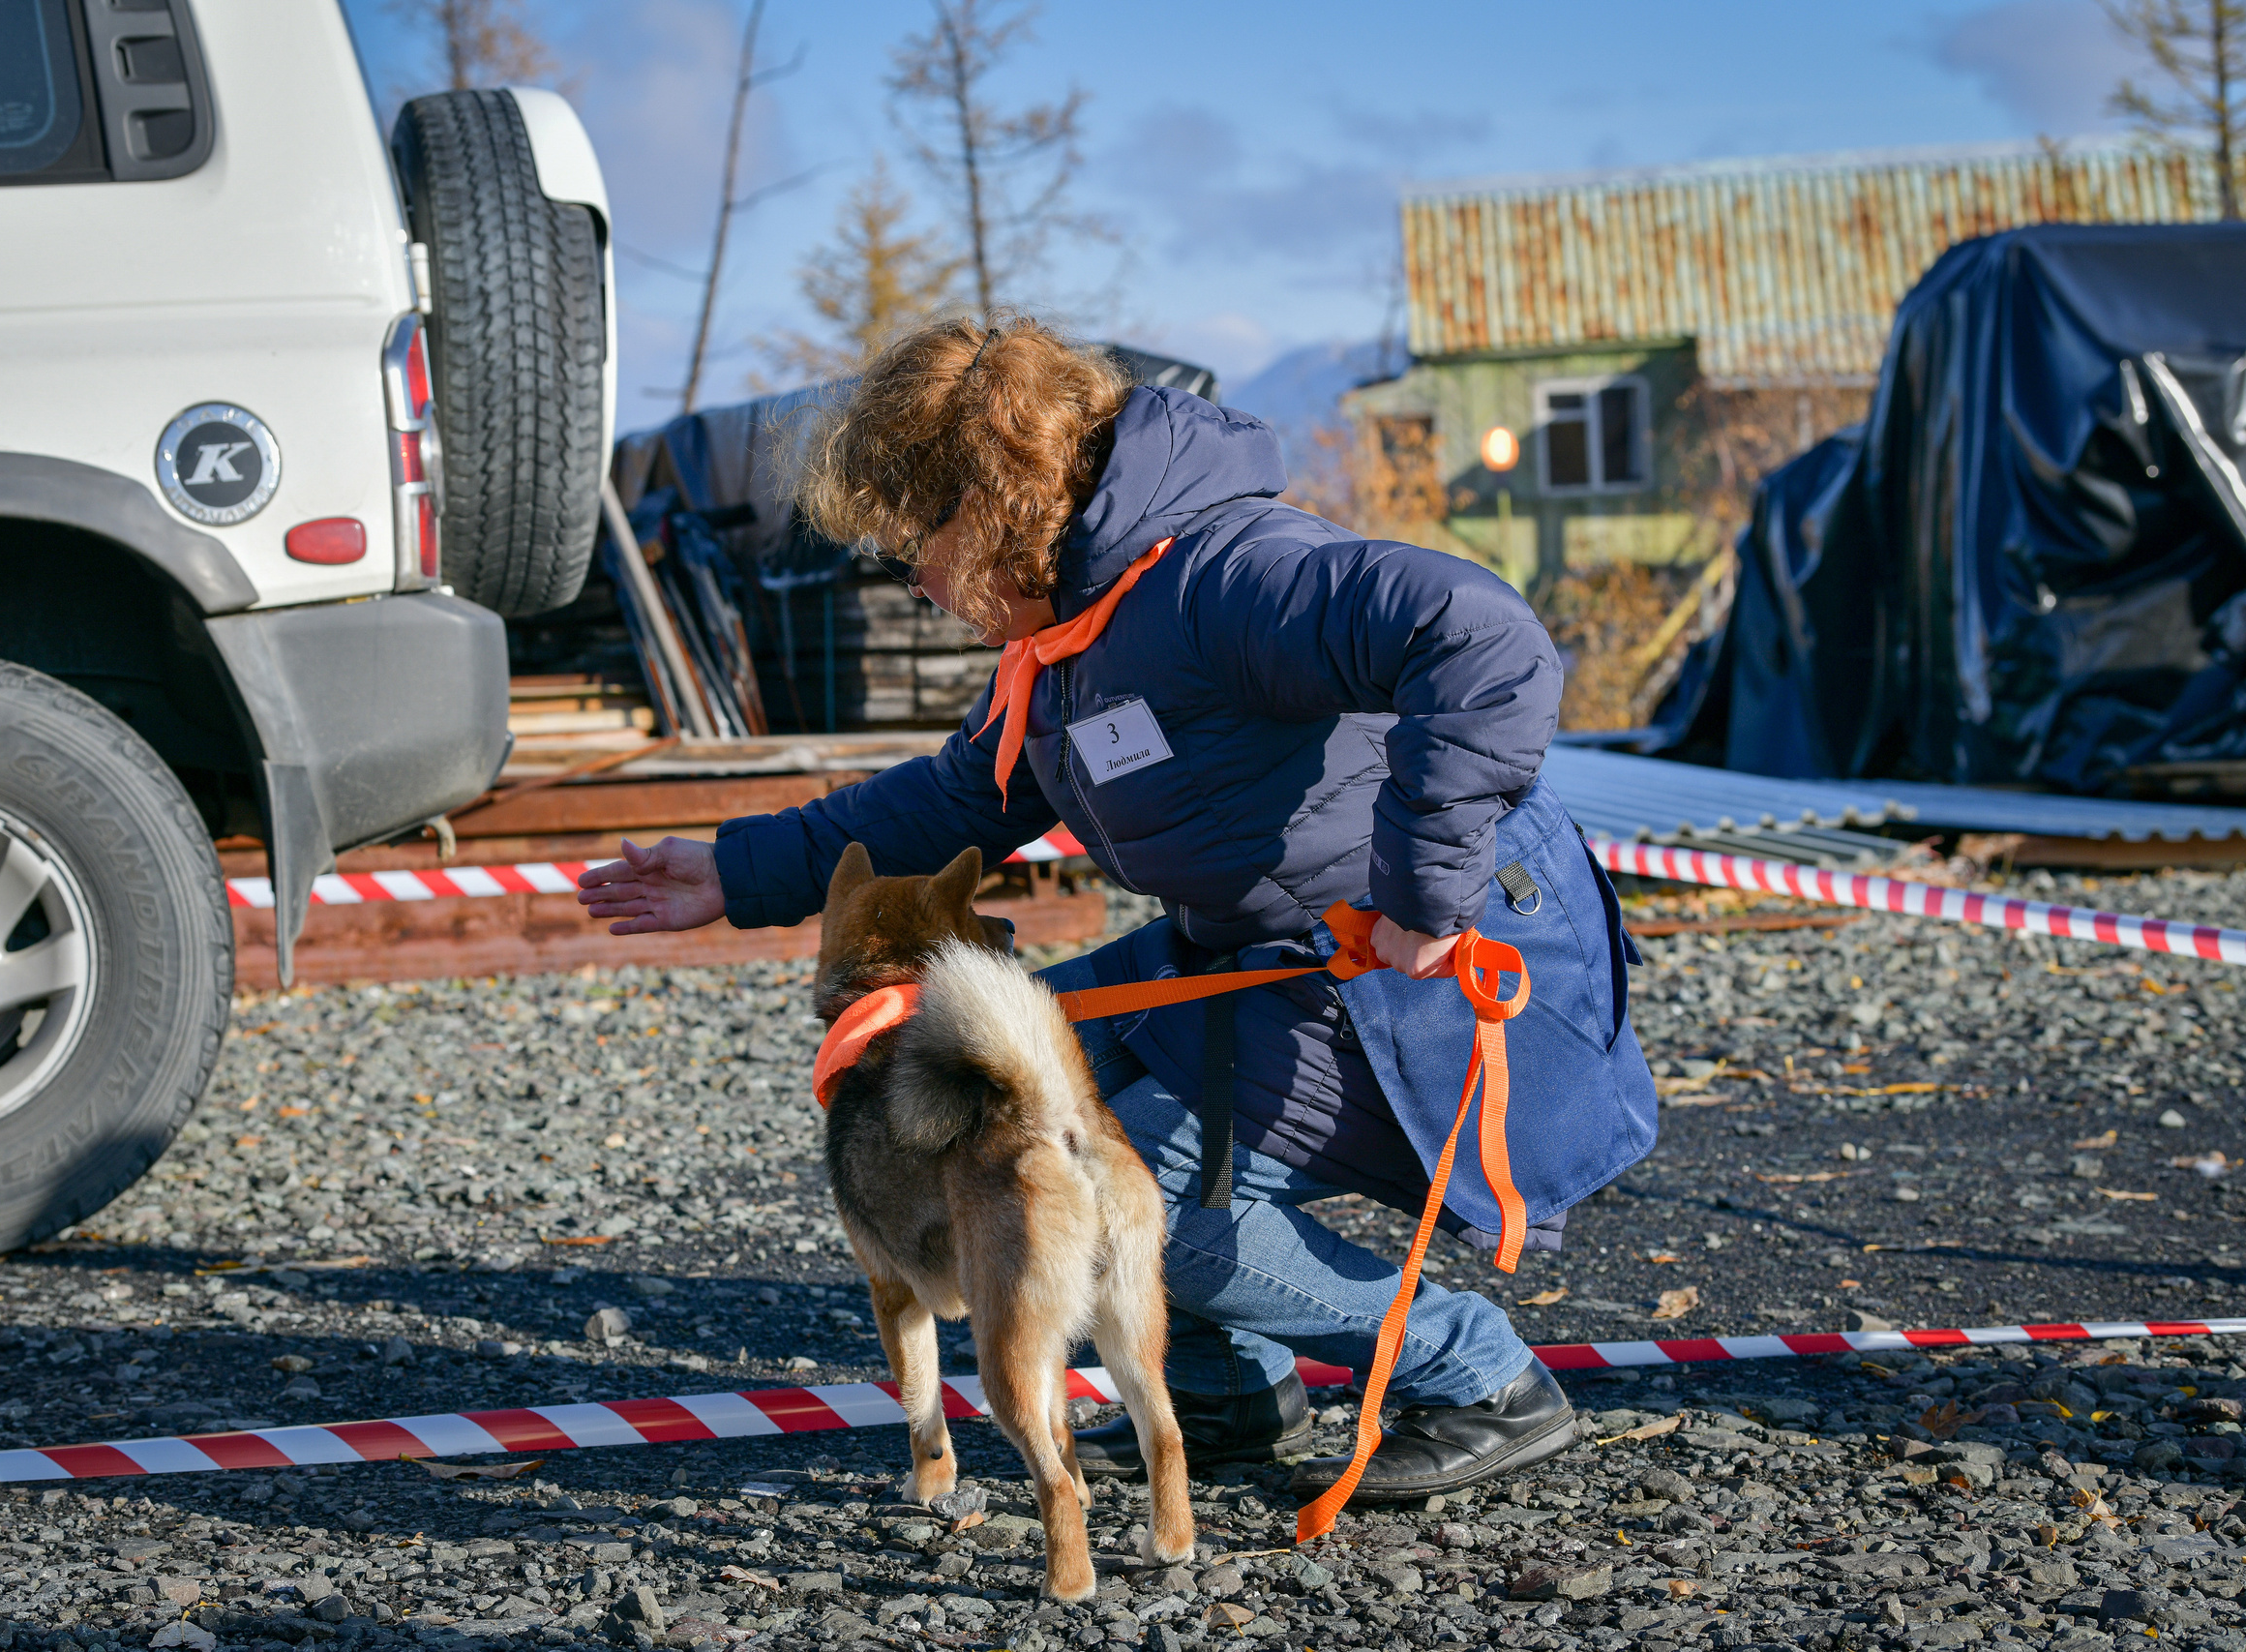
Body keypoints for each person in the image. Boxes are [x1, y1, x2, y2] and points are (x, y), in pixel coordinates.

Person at [577, 315, 1659, 1504]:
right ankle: (1227, 1392)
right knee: (1012, 1078)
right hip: (1268, 956)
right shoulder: (1068, 641)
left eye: (913, 544)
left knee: (1105, 1201)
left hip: (1423, 974)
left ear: (989, 507)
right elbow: (956, 799)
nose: (917, 582)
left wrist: (1425, 888)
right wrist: (736, 872)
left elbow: (1483, 640)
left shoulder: (1223, 578)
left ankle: (1481, 1378)